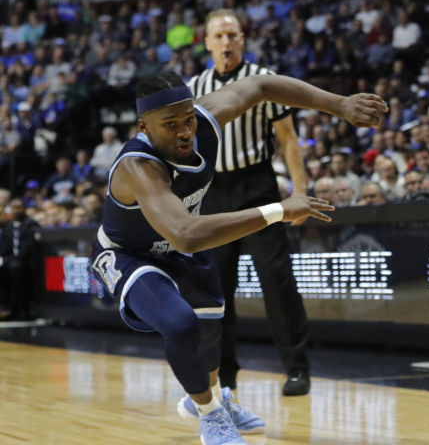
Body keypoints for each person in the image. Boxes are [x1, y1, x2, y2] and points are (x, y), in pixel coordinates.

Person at [91, 70, 385, 444]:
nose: (184, 132)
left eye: (188, 119)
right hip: (130, 255)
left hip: (183, 248)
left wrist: (338, 103)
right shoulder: (138, 166)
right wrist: (277, 210)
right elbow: (185, 235)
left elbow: (262, 85)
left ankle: (211, 398)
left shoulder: (206, 121)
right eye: (171, 125)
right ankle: (211, 416)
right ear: (144, 126)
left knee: (211, 336)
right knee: (181, 324)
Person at [187, 9, 313, 397]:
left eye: (233, 35)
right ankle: (223, 375)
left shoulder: (263, 80)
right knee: (216, 289)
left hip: (257, 184)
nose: (227, 42)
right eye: (219, 36)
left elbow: (289, 139)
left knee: (276, 279)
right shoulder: (194, 86)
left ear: (243, 39)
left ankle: (296, 368)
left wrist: (299, 191)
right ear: (207, 42)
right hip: (214, 193)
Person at [0, 198, 41, 320]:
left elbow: (27, 250)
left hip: (27, 263)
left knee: (15, 268)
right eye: (14, 208)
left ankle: (23, 309)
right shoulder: (7, 226)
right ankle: (8, 308)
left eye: (19, 207)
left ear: (24, 209)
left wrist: (6, 261)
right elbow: (5, 247)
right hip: (10, 261)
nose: (16, 210)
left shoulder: (31, 224)